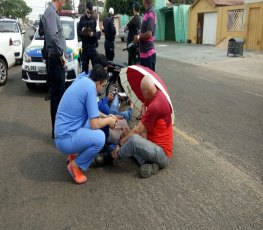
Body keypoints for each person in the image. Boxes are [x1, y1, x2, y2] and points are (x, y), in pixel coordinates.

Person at [54, 64, 117, 184]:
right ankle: (75, 166)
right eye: (103, 86)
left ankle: (73, 154)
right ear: (98, 83)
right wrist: (108, 121)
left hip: (62, 133)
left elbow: (93, 111)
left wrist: (107, 116)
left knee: (89, 124)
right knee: (100, 138)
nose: (102, 89)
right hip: (65, 140)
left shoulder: (83, 80)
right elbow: (94, 124)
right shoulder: (91, 88)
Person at [111, 75, 173, 178]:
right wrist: (127, 134)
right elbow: (141, 130)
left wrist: (120, 144)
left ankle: (114, 155)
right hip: (154, 144)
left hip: (163, 154)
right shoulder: (157, 94)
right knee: (129, 137)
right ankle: (152, 166)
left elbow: (137, 131)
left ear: (145, 92)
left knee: (133, 140)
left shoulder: (155, 106)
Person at [42, 0, 67, 138]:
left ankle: (57, 131)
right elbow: (52, 36)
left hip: (56, 59)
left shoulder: (52, 12)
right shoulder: (50, 12)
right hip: (56, 59)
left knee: (58, 97)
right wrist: (61, 54)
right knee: (58, 98)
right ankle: (57, 132)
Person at [134, 0, 156, 71]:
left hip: (148, 55)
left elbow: (149, 34)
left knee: (148, 81)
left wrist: (138, 37)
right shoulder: (147, 13)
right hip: (144, 54)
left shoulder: (151, 12)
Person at [77, 2, 100, 74]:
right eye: (88, 12)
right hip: (85, 48)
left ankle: (94, 84)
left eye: (91, 12)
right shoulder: (82, 19)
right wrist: (82, 34)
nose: (89, 14)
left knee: (95, 68)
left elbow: (99, 34)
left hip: (92, 47)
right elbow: (78, 31)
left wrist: (93, 34)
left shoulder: (94, 19)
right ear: (85, 10)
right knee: (84, 70)